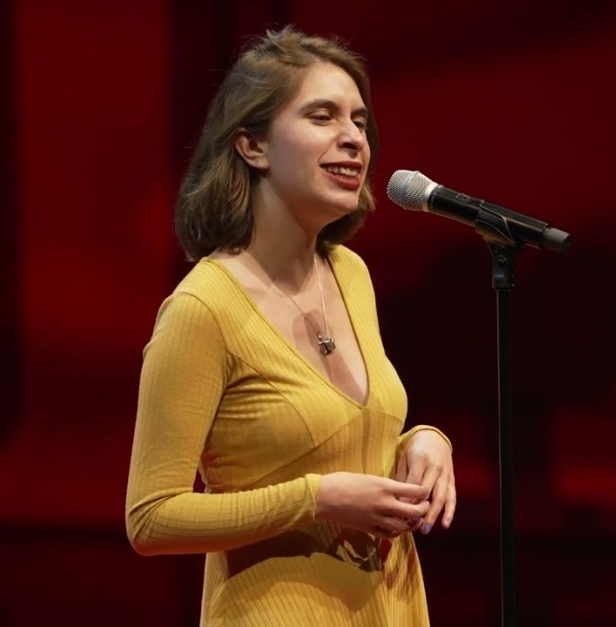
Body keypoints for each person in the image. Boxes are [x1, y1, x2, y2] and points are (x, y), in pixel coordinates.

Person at [124, 25, 456, 626]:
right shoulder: (203, 308)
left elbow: (346, 437)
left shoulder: (349, 274)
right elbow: (150, 518)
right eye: (322, 116)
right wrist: (316, 499)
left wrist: (423, 442)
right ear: (252, 146)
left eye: (359, 121)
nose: (353, 138)